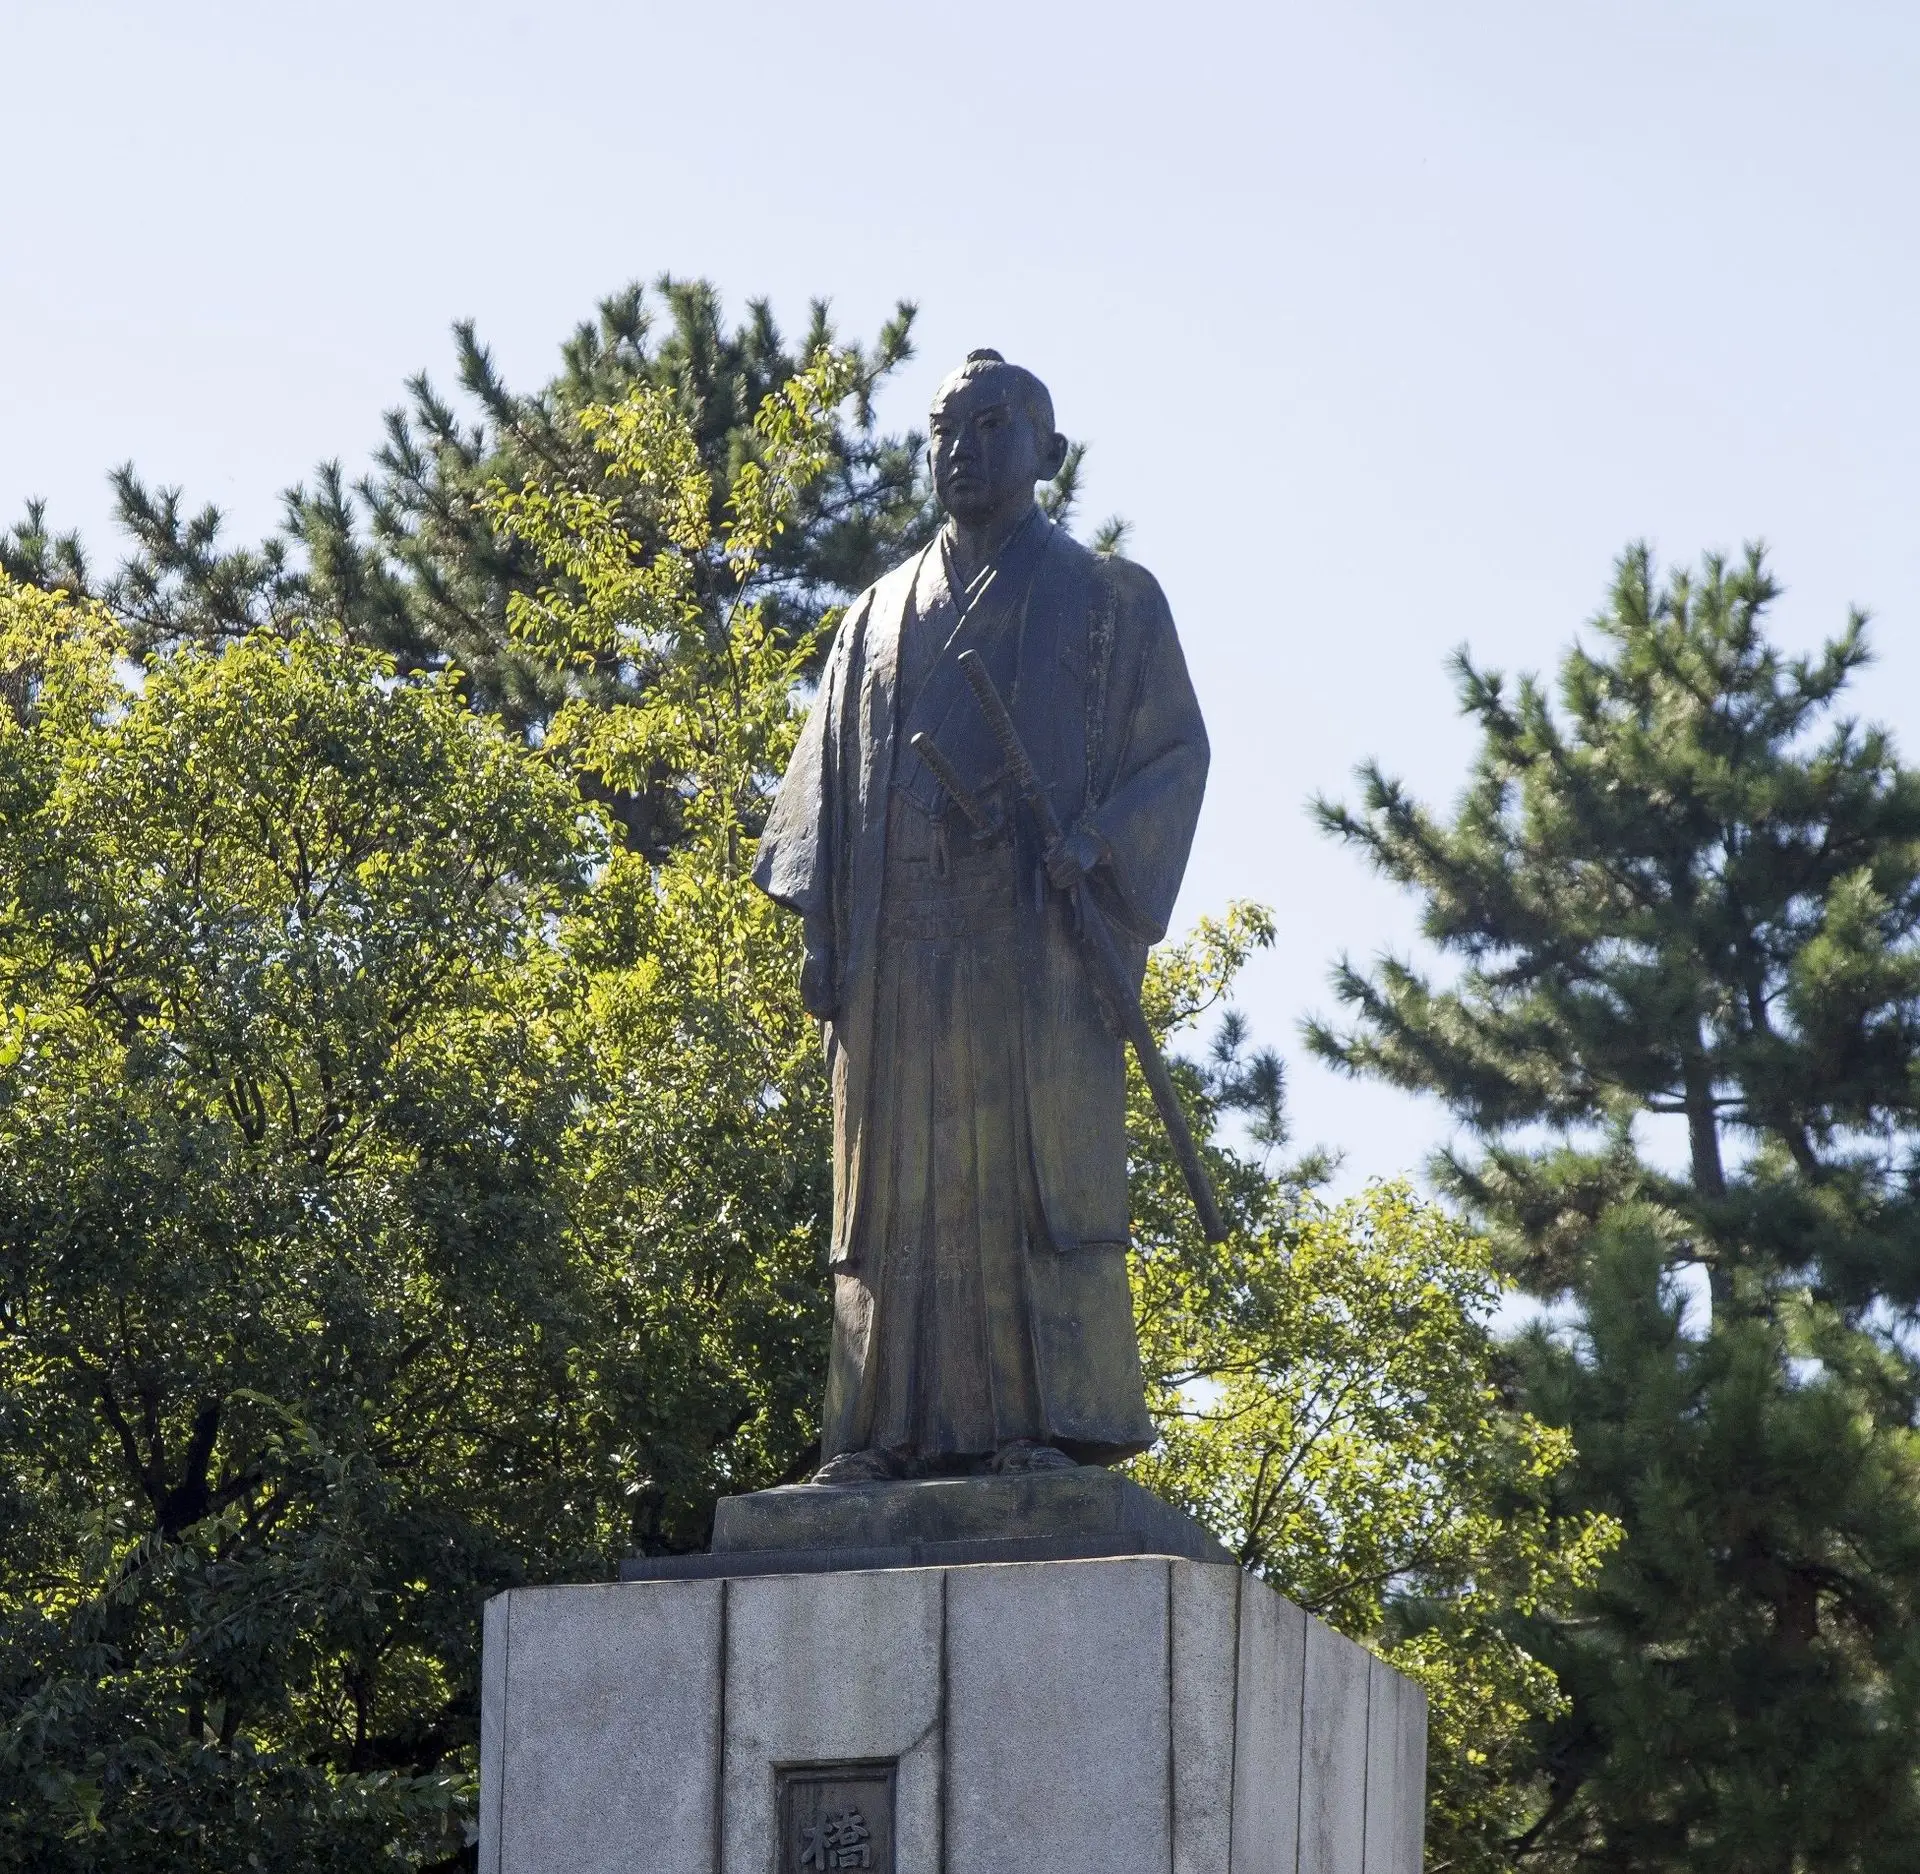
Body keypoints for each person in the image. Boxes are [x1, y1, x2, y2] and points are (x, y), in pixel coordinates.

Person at [753, 350, 1209, 1483]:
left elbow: (1175, 756)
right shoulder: (870, 619)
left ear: (1046, 453)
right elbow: (819, 808)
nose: (960, 448)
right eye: (943, 429)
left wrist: (1097, 841)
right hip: (897, 939)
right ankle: (877, 1432)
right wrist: (824, 937)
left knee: (1023, 1180)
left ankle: (1038, 1426)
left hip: (1031, 936)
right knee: (894, 1188)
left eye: (989, 426)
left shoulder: (1108, 596)